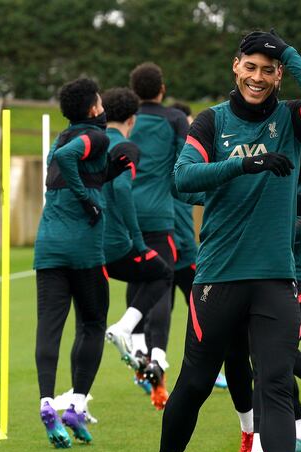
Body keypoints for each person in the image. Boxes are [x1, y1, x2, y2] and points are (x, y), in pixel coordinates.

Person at [146, 30, 301, 452]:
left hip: (276, 276)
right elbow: (183, 179)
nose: (258, 77)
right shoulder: (211, 121)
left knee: (275, 384)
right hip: (218, 278)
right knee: (191, 385)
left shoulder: (293, 121)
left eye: (268, 69)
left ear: (278, 75)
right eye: (250, 67)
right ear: (236, 67)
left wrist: (291, 52)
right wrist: (246, 164)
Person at [33, 78, 123, 448]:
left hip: (48, 247)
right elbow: (69, 160)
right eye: (100, 102)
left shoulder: (60, 136)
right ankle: (77, 402)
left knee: (50, 326)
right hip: (83, 250)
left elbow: (69, 167)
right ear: (93, 109)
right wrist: (88, 200)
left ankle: (47, 402)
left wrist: (107, 174)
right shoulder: (96, 137)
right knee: (92, 322)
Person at [119, 62, 188, 407]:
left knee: (138, 277)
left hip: (125, 212)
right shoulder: (175, 119)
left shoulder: (126, 118)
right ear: (161, 88)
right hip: (160, 214)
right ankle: (158, 355)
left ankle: (138, 348)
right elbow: (183, 167)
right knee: (161, 280)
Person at [101, 87, 173, 407]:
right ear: (132, 119)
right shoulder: (125, 146)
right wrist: (137, 239)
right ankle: (131, 333)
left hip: (82, 245)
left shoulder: (86, 144)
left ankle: (77, 399)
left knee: (86, 324)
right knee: (160, 273)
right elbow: (121, 189)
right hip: (121, 241)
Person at [167, 102, 228, 391]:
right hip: (192, 252)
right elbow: (181, 184)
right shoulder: (185, 161)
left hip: (186, 249)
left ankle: (147, 350)